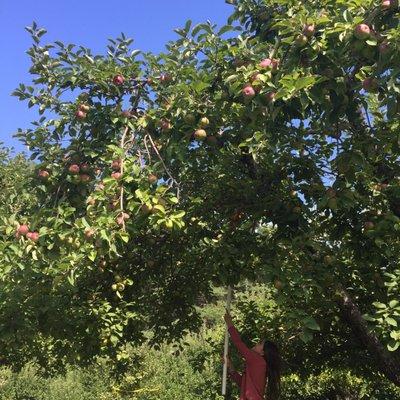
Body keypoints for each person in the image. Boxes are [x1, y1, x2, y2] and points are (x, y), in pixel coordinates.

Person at [223, 311, 281, 400]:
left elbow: (239, 344)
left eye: (260, 343)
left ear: (263, 353)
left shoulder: (257, 360)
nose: (256, 343)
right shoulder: (259, 364)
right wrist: (230, 366)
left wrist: (230, 324)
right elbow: (242, 383)